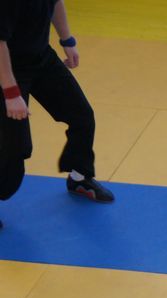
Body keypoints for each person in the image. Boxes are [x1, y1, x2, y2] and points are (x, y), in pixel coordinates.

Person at [0, 0, 114, 229]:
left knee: (82, 116)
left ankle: (79, 178)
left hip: (40, 57)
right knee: (14, 150)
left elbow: (56, 2)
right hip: (8, 67)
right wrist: (11, 93)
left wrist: (67, 40)